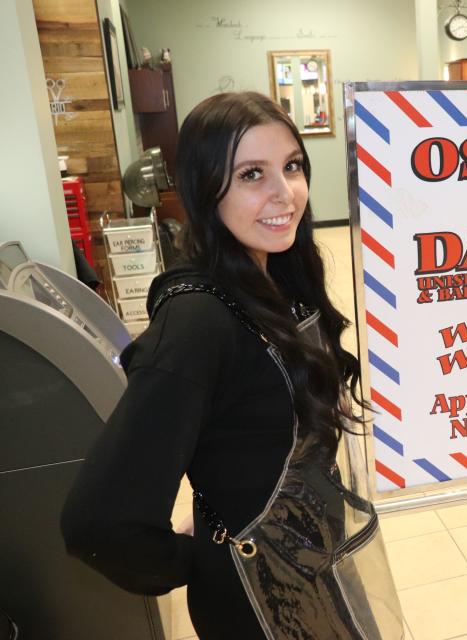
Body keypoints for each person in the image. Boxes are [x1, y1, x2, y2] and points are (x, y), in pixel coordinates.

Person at [61, 92, 400, 639]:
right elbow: (99, 522)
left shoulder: (281, 278)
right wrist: (195, 559)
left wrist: (226, 496)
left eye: (291, 167)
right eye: (250, 175)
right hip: (260, 601)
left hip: (317, 565)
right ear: (203, 189)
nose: (284, 194)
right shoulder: (197, 321)